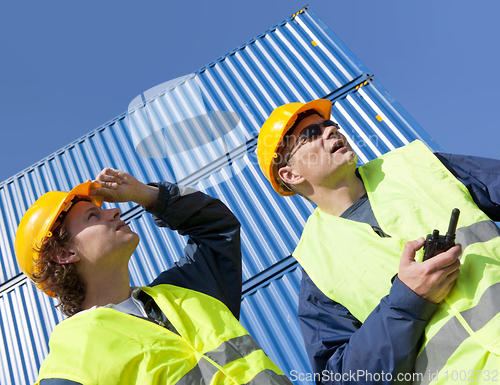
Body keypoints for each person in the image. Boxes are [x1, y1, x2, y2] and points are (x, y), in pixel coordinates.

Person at [256, 99, 500, 385]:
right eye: (311, 134)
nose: (331, 131)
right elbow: (345, 378)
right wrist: (408, 302)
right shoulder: (317, 267)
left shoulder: (420, 166)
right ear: (291, 175)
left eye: (330, 125)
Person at [15, 168, 290, 385]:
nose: (114, 210)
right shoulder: (74, 354)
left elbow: (217, 228)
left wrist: (144, 193)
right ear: (63, 255)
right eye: (92, 216)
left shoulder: (187, 291)